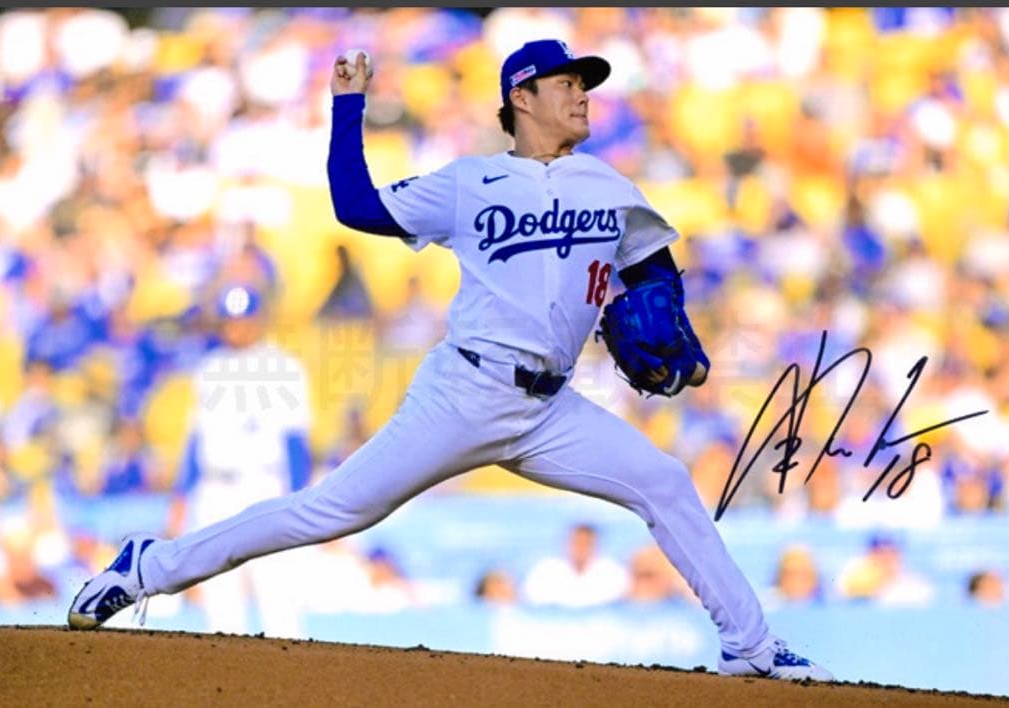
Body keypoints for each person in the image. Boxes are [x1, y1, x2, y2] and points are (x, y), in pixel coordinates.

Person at [68, 39, 833, 682]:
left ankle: (750, 644)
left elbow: (652, 270)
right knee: (332, 510)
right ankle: (146, 568)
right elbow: (356, 206)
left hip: (549, 409)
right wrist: (348, 108)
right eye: (568, 83)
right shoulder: (470, 182)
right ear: (521, 96)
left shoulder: (608, 184)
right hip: (465, 391)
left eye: (586, 85)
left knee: (664, 482)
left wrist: (683, 349)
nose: (583, 95)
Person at [163, 283, 315, 638]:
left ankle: (290, 666)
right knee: (220, 595)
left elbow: (296, 442)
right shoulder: (209, 368)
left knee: (277, 590)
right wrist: (181, 497)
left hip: (265, 485)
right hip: (215, 488)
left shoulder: (284, 367)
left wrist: (300, 498)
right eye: (230, 321)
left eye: (244, 320)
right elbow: (196, 440)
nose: (237, 328)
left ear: (258, 321)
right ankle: (226, 670)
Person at [521, 523, 629, 608]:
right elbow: (531, 602)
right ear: (567, 543)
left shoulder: (612, 572)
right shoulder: (546, 570)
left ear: (596, 545)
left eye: (586, 543)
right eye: (577, 542)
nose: (581, 548)